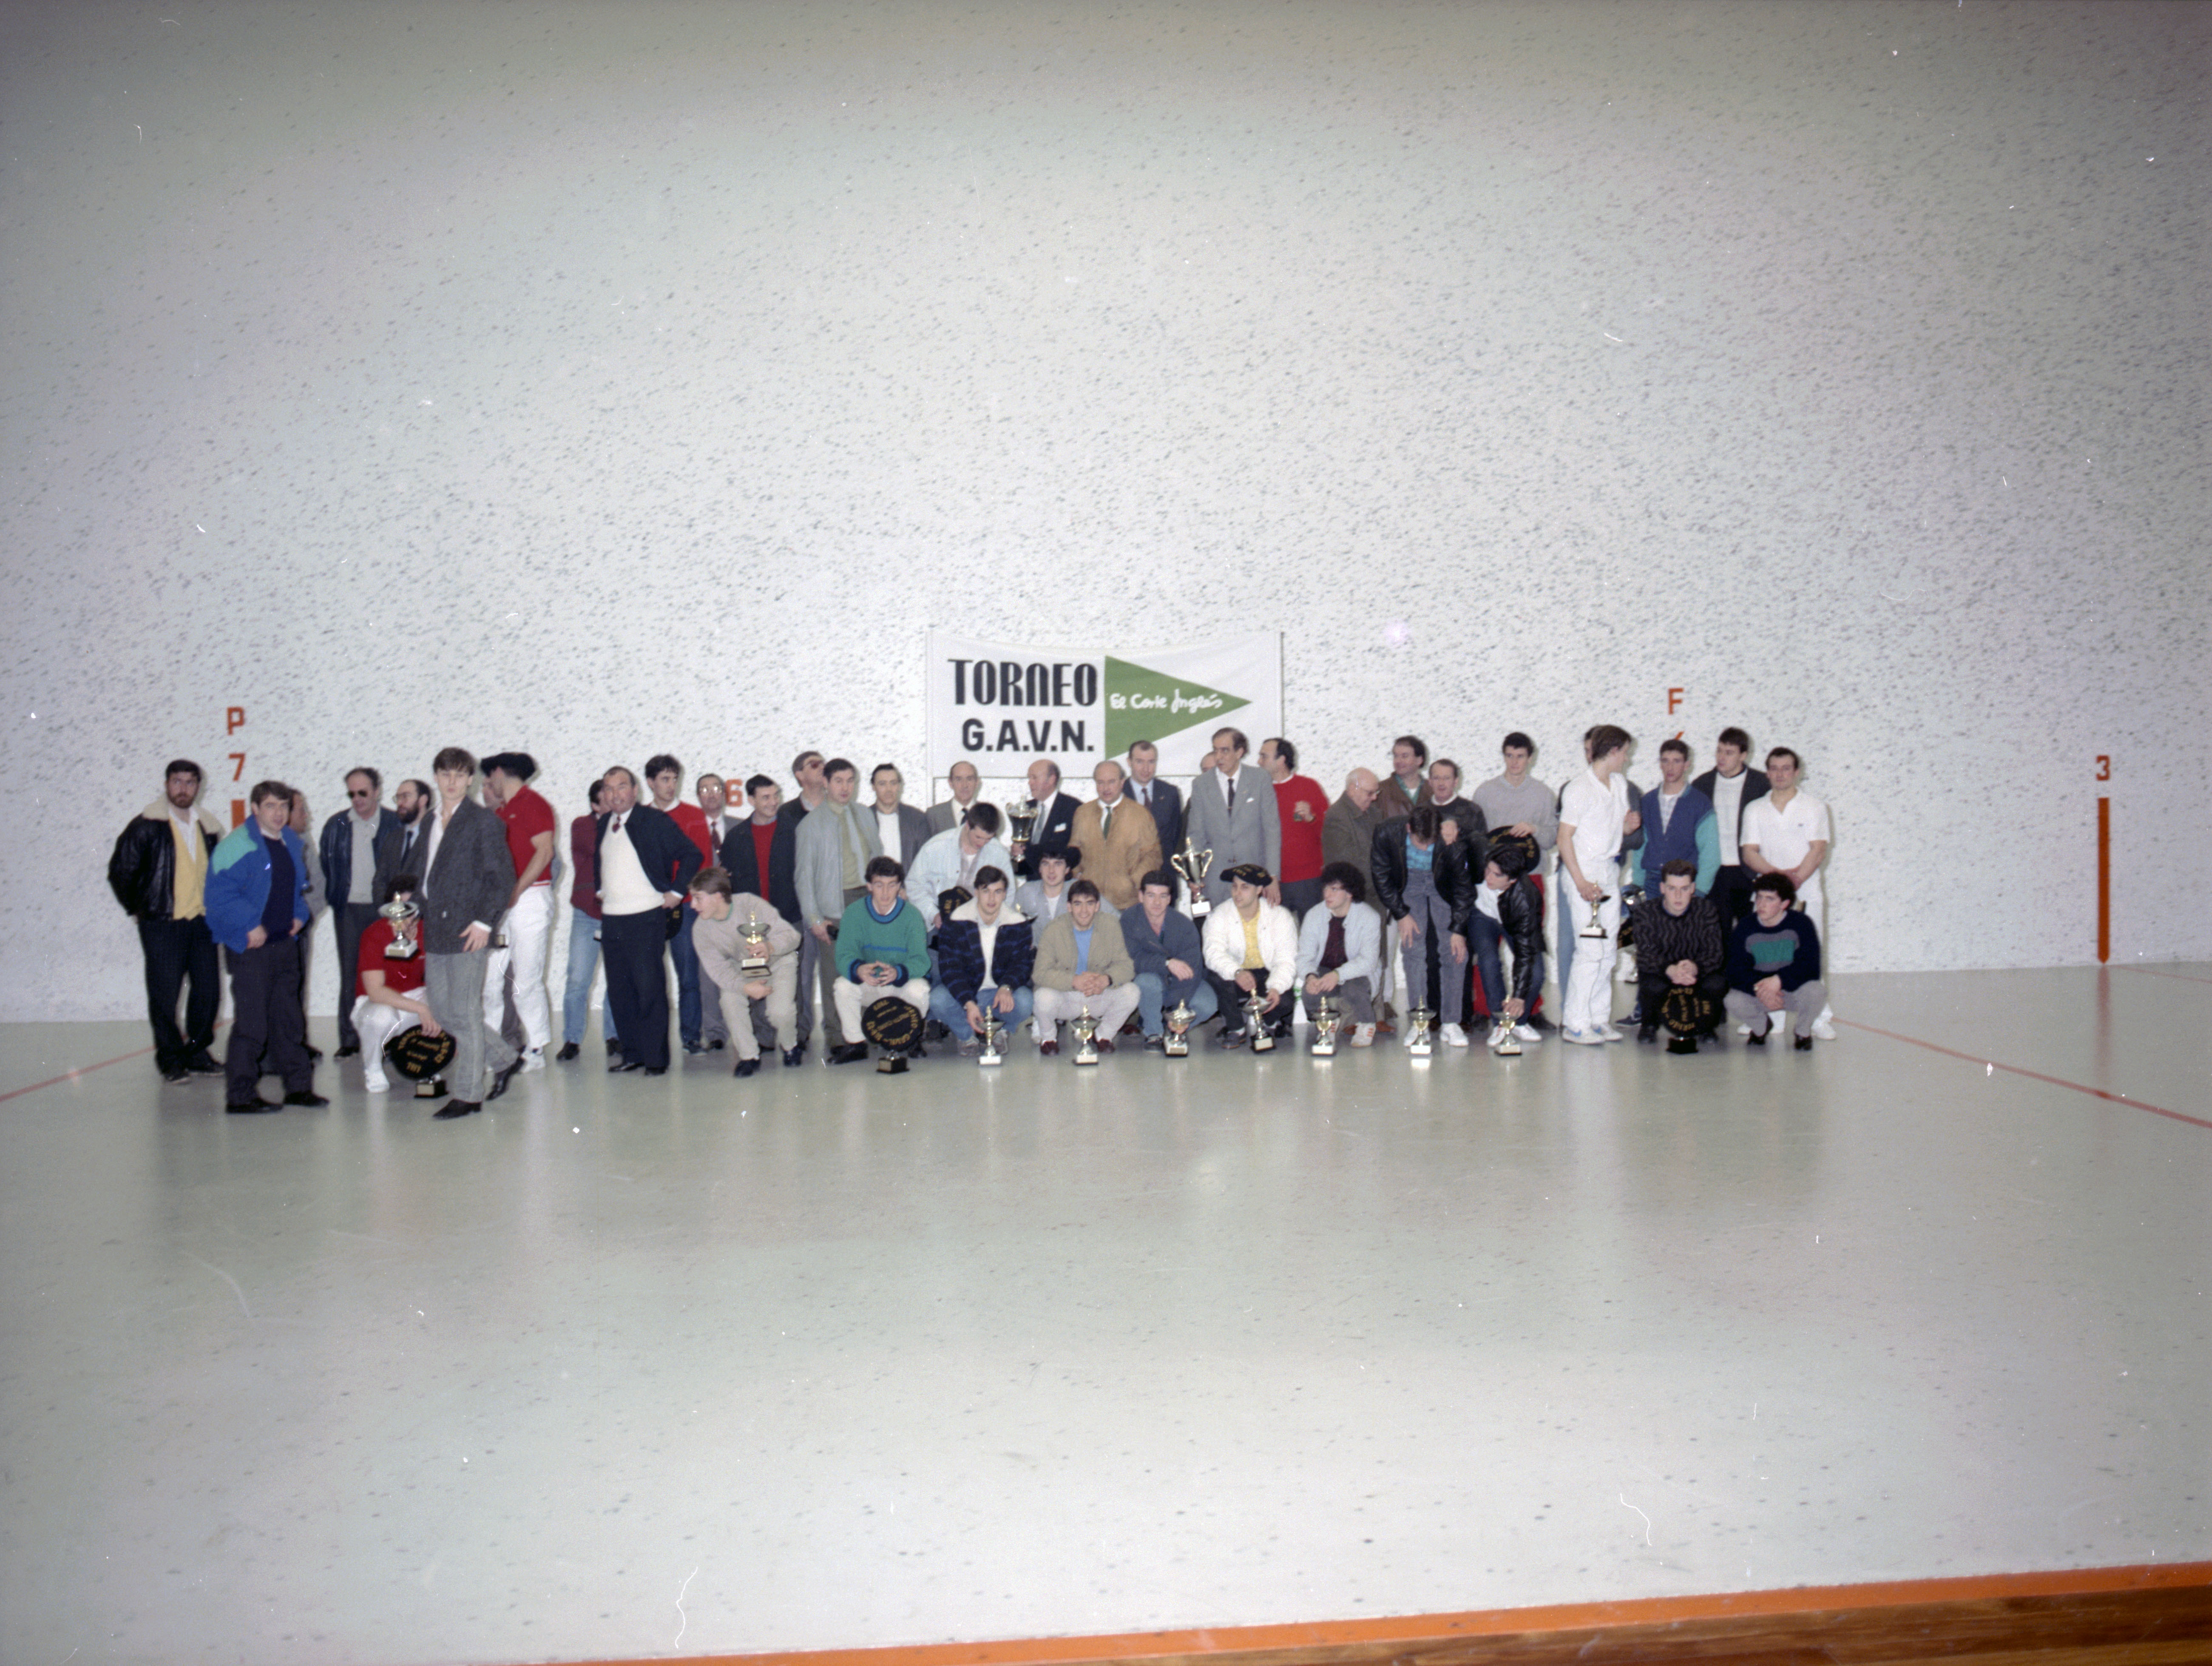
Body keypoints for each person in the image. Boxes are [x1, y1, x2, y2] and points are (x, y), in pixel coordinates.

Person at [203, 780, 324, 1114]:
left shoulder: (291, 841)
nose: (278, 813)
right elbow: (218, 896)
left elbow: (296, 889)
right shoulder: (236, 845)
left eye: (284, 806)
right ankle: (240, 1096)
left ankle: (298, 1089)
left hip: (285, 945)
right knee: (252, 1024)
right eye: (270, 806)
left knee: (289, 1021)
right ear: (255, 809)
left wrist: (300, 916)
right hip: (251, 950)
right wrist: (249, 924)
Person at [416, 747, 521, 1116]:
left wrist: (484, 923)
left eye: (460, 775)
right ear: (436, 777)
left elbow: (503, 879)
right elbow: (424, 875)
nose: (452, 782)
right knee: (444, 1013)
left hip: (469, 929)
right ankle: (505, 1058)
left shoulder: (483, 822)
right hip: (436, 928)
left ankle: (468, 1094)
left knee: (464, 1011)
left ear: (471, 780)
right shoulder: (428, 822)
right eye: (446, 774)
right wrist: (412, 911)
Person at [108, 759, 226, 1083]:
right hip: (163, 924)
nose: (183, 789)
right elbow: (121, 872)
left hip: (202, 923)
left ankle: (197, 1054)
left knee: (208, 993)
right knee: (165, 996)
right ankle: (170, 1059)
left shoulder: (209, 827)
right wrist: (141, 910)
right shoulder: (146, 826)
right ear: (166, 785)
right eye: (177, 782)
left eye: (190, 782)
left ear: (198, 787)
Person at [595, 764, 701, 1077]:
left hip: (645, 918)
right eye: (609, 789)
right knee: (620, 992)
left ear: (635, 790)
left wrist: (676, 892)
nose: (615, 794)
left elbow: (692, 854)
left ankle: (656, 1060)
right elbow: (601, 863)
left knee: (649, 989)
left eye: (621, 787)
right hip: (612, 919)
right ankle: (633, 1054)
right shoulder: (604, 824)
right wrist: (602, 889)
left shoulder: (654, 820)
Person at [1739, 746, 1837, 1041]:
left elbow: (1817, 850)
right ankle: (1772, 1016)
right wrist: (1777, 881)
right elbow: (1749, 852)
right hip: (1768, 900)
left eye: (1786, 768)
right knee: (1767, 957)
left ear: (1797, 772)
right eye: (1774, 768)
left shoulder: (1814, 807)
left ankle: (1818, 1018)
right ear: (1767, 772)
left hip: (1807, 894)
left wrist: (1795, 880)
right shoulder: (1754, 809)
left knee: (1809, 956)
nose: (1779, 774)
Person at [1555, 725, 1636, 1045]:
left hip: (1609, 872)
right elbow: (1564, 838)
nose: (1627, 758)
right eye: (1625, 752)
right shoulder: (1578, 788)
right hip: (1583, 872)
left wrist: (1628, 826)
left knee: (1608, 950)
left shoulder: (1620, 784)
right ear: (1613, 751)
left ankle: (1598, 1019)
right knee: (1589, 950)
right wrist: (1580, 883)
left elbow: (1615, 828)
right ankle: (1575, 1024)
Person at [1471, 733, 1559, 1029]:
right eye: (1509, 756)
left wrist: (1535, 829)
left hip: (1530, 880)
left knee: (1528, 946)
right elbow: (1476, 838)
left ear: (1530, 758)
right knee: (1486, 949)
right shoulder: (1485, 792)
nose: (1515, 762)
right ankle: (1485, 1010)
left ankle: (1530, 1010)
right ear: (1504, 756)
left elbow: (1552, 837)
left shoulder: (1543, 794)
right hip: (1491, 881)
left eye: (1520, 756)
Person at [795, 758, 881, 1051]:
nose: (846, 788)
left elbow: (877, 856)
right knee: (835, 974)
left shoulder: (865, 815)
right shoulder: (810, 825)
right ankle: (837, 1037)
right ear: (826, 783)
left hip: (868, 902)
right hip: (835, 904)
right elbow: (804, 877)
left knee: (869, 968)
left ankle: (868, 1031)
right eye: (839, 781)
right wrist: (814, 919)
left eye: (850, 781)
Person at [721, 775, 810, 1055]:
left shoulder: (795, 830)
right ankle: (764, 1035)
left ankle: (796, 1036)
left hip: (788, 918)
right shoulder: (736, 837)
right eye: (766, 798)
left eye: (776, 796)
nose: (773, 802)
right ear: (751, 800)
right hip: (752, 924)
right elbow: (729, 884)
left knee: (792, 981)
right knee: (755, 974)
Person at [1370, 805, 1474, 1046]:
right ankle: (1420, 1024)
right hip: (1409, 883)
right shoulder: (1386, 833)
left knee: (1456, 952)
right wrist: (1401, 914)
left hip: (1442, 885)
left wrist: (1458, 930)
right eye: (1420, 843)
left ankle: (1451, 1023)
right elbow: (1381, 877)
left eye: (1431, 843)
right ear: (1409, 829)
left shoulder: (1449, 839)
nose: (1426, 848)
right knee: (1413, 949)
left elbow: (1463, 888)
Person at [318, 767, 401, 1061]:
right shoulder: (336, 825)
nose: (357, 799)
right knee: (351, 972)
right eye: (351, 794)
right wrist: (337, 897)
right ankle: (350, 1039)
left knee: (391, 972)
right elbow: (327, 866)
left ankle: (391, 1038)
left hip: (386, 910)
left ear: (377, 791)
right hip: (349, 909)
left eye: (363, 792)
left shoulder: (394, 823)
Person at [480, 751, 557, 1071]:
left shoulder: (533, 804)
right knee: (490, 982)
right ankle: (492, 1050)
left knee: (525, 981)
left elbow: (545, 852)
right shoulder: (501, 811)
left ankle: (536, 1050)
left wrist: (516, 890)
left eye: (489, 777)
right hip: (501, 905)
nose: (488, 784)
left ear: (499, 772)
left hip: (530, 901)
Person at [688, 866, 803, 1076]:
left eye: (698, 899)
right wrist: (745, 987)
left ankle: (790, 1046)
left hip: (778, 963)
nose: (693, 905)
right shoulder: (700, 929)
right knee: (730, 1001)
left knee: (780, 1014)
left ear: (718, 896)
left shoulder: (750, 904)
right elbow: (718, 970)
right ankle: (749, 1056)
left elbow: (793, 936)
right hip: (741, 969)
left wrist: (770, 947)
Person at [830, 856, 931, 1064]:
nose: (885, 893)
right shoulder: (854, 913)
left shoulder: (912, 916)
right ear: (869, 886)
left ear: (900, 886)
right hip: (870, 983)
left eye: (892, 885)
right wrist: (859, 970)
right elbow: (843, 955)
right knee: (842, 986)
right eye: (879, 885)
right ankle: (856, 1044)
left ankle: (911, 1039)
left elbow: (922, 961)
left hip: (899, 984)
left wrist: (898, 972)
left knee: (920, 989)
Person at [646, 754, 714, 1056]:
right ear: (651, 782)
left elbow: (703, 864)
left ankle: (691, 1037)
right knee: (648, 978)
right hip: (647, 908)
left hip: (684, 907)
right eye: (665, 779)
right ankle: (652, 1039)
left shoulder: (693, 815)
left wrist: (687, 898)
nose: (671, 785)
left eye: (675, 779)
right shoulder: (640, 817)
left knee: (688, 977)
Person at [929, 865, 1036, 1053]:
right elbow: (951, 970)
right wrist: (968, 1002)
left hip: (998, 995)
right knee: (938, 999)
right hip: (968, 992)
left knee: (1026, 1001)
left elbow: (1022, 965)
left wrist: (1007, 987)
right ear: (976, 892)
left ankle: (1000, 1032)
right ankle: (966, 1036)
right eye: (986, 891)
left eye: (998, 892)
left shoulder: (1018, 924)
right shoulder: (955, 922)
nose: (992, 899)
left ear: (1005, 894)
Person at [352, 872, 441, 1093]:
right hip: (376, 1003)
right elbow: (376, 992)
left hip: (415, 996)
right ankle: (373, 1068)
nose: (404, 918)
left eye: (409, 910)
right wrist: (422, 1009)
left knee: (444, 1005)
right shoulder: (373, 934)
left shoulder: (428, 931)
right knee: (382, 1017)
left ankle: (428, 1062)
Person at [1032, 879, 1140, 1055]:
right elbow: (1040, 974)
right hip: (1066, 996)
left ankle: (1103, 1036)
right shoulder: (1053, 929)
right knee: (1042, 997)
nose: (1084, 911)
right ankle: (1049, 1039)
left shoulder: (1111, 925)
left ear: (1097, 906)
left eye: (1090, 904)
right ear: (1069, 907)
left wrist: (1106, 980)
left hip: (1098, 993)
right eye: (1078, 904)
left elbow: (1127, 966)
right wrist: (1074, 981)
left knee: (1132, 992)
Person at [1630, 859, 1728, 1047]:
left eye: (1684, 889)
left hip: (1695, 973)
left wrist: (1695, 967)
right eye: (1672, 888)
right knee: (1650, 983)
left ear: (1693, 888)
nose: (1678, 895)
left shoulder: (1707, 910)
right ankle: (1649, 1025)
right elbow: (1645, 955)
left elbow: (1715, 953)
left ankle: (1706, 1027)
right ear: (1662, 888)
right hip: (1663, 972)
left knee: (1718, 983)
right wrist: (1670, 970)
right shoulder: (1645, 912)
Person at [1726, 872, 1826, 1050]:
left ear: (1784, 904)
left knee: (1816, 991)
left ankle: (1803, 1033)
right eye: (1759, 897)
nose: (1762, 904)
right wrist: (1761, 989)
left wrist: (1779, 981)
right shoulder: (1745, 927)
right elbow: (1735, 971)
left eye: (1770, 899)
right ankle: (1761, 1028)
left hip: (1791, 992)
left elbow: (1811, 968)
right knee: (1732, 1001)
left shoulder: (1801, 924)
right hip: (1761, 992)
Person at [1183, 728, 1281, 910]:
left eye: (1225, 751)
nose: (1219, 757)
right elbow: (1195, 835)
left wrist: (1272, 876)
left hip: (1253, 878)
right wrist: (1194, 876)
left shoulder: (1260, 779)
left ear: (1239, 752)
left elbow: (1272, 831)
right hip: (1213, 881)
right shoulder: (1201, 785)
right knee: (1211, 925)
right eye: (1216, 750)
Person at [1201, 863, 1298, 1047]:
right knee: (1215, 977)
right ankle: (1236, 1029)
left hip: (1267, 974)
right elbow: (1213, 953)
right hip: (1236, 974)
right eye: (1235, 887)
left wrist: (1276, 987)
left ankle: (1269, 1023)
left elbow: (1287, 959)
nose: (1237, 893)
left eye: (1245, 888)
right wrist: (1236, 972)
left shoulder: (1280, 916)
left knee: (1286, 1001)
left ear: (1260, 890)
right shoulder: (1219, 915)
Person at [557, 779, 617, 1063]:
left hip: (618, 912)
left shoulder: (625, 824)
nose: (614, 801)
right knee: (578, 979)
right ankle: (572, 1039)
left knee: (616, 979)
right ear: (595, 805)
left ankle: (614, 1036)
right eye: (607, 798)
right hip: (587, 913)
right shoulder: (582, 825)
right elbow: (600, 849)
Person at [1123, 869, 1217, 1048]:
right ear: (1141, 896)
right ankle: (1154, 1033)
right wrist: (1167, 963)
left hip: (1181, 985)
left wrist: (1179, 1011)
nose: (1157, 902)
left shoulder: (1184, 925)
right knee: (1145, 982)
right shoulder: (1129, 919)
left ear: (1170, 899)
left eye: (1163, 896)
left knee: (1209, 1004)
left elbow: (1192, 971)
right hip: (1152, 982)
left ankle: (1175, 1029)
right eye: (1151, 895)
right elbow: (1134, 959)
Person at [1295, 862, 1383, 1045]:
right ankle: (1328, 1021)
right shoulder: (1313, 915)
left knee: (1354, 990)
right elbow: (1304, 956)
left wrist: (1338, 975)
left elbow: (1368, 962)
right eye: (1326, 888)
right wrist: (1310, 976)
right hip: (1325, 968)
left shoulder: (1370, 917)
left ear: (1350, 893)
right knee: (1309, 994)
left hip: (1357, 970)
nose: (1327, 894)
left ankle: (1367, 1023)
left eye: (1335, 889)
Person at [1691, 727, 1769, 933]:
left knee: (1752, 933)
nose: (1721, 757)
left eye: (1729, 753)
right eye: (1719, 751)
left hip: (1750, 871)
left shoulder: (1762, 784)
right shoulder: (1702, 784)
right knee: (1718, 934)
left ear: (1743, 756)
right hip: (1716, 872)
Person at [1472, 843, 1545, 1046]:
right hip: (1481, 916)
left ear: (1512, 880)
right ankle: (1500, 1024)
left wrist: (1519, 997)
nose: (1488, 877)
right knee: (1489, 962)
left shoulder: (1527, 900)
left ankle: (1518, 1022)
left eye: (1496, 875)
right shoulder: (1478, 860)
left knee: (1537, 973)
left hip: (1512, 919)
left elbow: (1526, 953)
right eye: (1488, 870)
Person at [1069, 759, 1161, 913]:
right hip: (1090, 905)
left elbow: (1152, 855)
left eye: (1112, 782)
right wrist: (1076, 878)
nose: (1106, 788)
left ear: (1122, 782)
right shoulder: (1082, 813)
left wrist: (1134, 882)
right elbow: (1074, 853)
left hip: (1127, 904)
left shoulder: (1141, 814)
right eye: (1101, 782)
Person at [905, 803, 1012, 930]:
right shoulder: (935, 848)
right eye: (978, 837)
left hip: (982, 926)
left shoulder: (999, 854)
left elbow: (1008, 894)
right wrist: (933, 914)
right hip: (939, 924)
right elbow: (914, 885)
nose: (982, 843)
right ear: (968, 825)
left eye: (988, 839)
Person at [1638, 740, 1719, 898]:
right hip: (1652, 882)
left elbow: (1711, 853)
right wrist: (1638, 884)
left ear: (1687, 765)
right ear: (1660, 764)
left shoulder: (1700, 803)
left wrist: (1700, 890)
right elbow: (1640, 848)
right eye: (1665, 761)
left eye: (1677, 761)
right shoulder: (1648, 801)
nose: (1670, 767)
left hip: (1684, 884)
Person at [1260, 737, 1331, 918]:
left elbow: (1330, 834)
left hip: (1309, 880)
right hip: (1273, 881)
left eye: (1264, 756)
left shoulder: (1309, 787)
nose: (1259, 762)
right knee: (1274, 933)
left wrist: (1312, 818)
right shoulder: (1259, 792)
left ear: (1281, 760)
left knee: (1313, 932)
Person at [1014, 758, 1082, 879]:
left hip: (1062, 885)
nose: (1030, 783)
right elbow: (1020, 870)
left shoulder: (1073, 808)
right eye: (1029, 778)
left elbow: (1078, 853)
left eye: (1034, 778)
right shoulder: (1025, 810)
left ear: (1051, 779)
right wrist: (1016, 856)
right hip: (1032, 884)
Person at [371, 778, 433, 900]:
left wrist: (411, 906)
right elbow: (379, 881)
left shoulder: (436, 836)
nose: (400, 803)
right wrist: (388, 906)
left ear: (423, 800)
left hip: (424, 910)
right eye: (398, 798)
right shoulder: (393, 838)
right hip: (391, 910)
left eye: (406, 797)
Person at [866, 762, 932, 873]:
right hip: (871, 883)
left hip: (908, 883)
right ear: (873, 787)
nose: (889, 789)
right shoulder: (863, 818)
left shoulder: (917, 819)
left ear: (900, 786)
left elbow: (926, 859)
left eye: (893, 783)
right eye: (882, 784)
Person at [1125, 740, 1184, 860]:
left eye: (1151, 762)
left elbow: (1176, 838)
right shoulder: (1118, 793)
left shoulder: (1170, 793)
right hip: (1127, 868)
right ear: (1129, 762)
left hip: (1164, 867)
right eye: (1140, 762)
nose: (1146, 769)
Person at [1015, 847, 1082, 925]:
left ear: (1067, 869)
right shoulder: (1026, 892)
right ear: (1040, 869)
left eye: (1058, 864)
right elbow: (1012, 922)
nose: (1051, 871)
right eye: (1046, 864)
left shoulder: (1079, 891)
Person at [925, 758, 984, 837]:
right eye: (959, 780)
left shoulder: (988, 814)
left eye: (969, 779)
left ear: (977, 783)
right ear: (951, 783)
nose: (965, 785)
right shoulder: (934, 815)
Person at [1377, 735, 1429, 820]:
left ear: (1419, 760)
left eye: (1405, 756)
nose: (1398, 761)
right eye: (1396, 756)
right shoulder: (1380, 791)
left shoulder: (1433, 790)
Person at [781, 750, 828, 829]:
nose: (822, 768)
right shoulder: (786, 812)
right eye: (814, 765)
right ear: (800, 775)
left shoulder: (842, 806)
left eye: (823, 764)